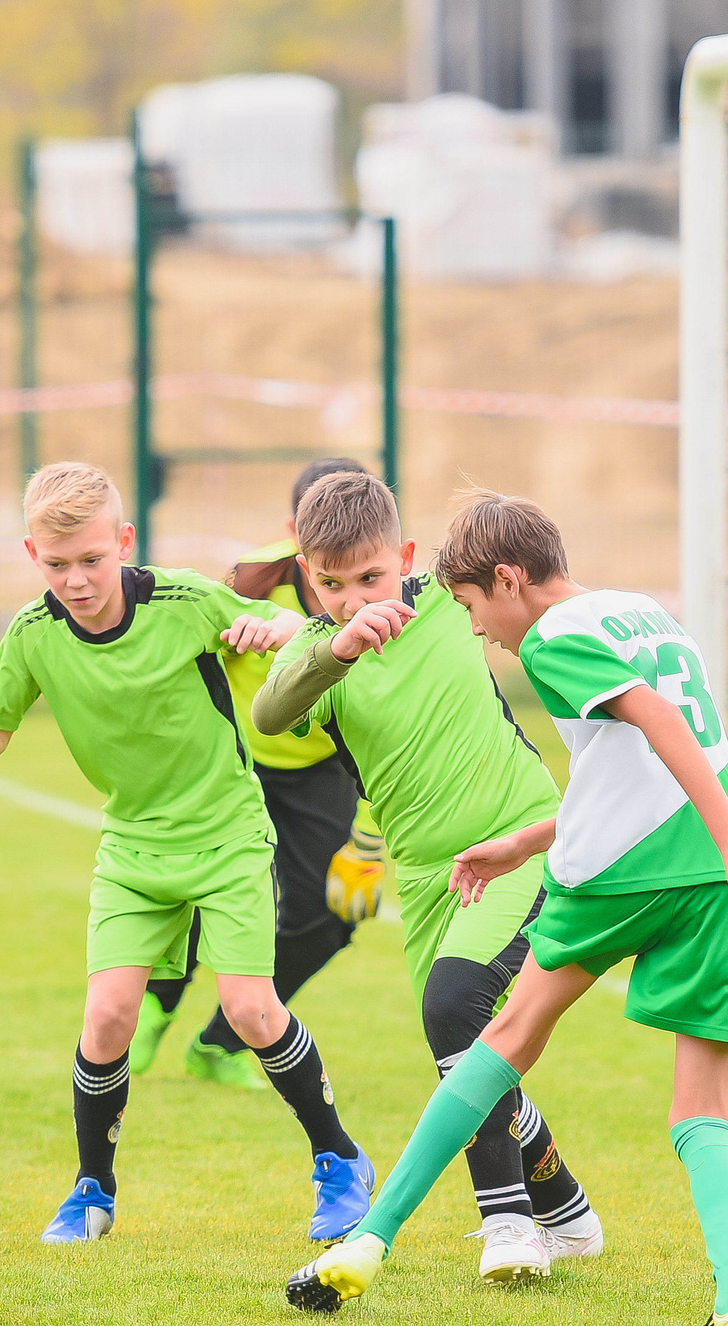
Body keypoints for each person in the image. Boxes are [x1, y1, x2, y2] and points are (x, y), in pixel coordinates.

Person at [284, 489, 728, 1326]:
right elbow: (637, 757)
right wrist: (524, 841)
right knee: (701, 1108)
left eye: (477, 609)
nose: (481, 632)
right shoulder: (644, 614)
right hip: (708, 879)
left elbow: (658, 725)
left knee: (501, 1038)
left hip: (626, 874)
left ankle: (369, 1242)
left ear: (508, 580)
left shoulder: (553, 636)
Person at [0, 461, 374, 1245]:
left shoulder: (185, 600)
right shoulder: (32, 634)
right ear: (33, 554)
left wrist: (266, 629)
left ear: (123, 543)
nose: (77, 579)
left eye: (92, 560)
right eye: (57, 564)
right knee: (107, 1018)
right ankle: (91, 1188)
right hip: (132, 844)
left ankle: (339, 1157)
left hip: (228, 832)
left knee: (250, 1009)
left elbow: (293, 631)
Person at [252, 469, 604, 1284]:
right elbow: (269, 713)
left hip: (517, 848)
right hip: (426, 880)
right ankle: (565, 1204)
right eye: (332, 584)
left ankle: (508, 1219)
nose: (355, 599)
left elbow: (533, 591)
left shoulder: (450, 603)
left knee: (456, 1007)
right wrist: (333, 646)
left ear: (404, 559)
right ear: (309, 576)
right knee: (469, 1052)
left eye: (371, 578)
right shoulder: (321, 656)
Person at [132, 457, 385, 1089]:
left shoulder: (394, 598)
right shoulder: (250, 579)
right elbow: (187, 650)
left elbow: (396, 723)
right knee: (195, 886)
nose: (348, 583)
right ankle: (156, 1006)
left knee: (331, 918)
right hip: (236, 766)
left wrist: (372, 842)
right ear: (296, 540)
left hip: (323, 769)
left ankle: (222, 1042)